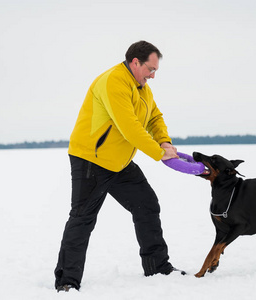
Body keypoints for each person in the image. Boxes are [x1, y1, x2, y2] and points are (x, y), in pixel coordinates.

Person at [54, 41, 183, 292]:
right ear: (135, 62)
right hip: (91, 159)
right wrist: (160, 154)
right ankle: (67, 281)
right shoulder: (114, 81)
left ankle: (157, 267)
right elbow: (130, 127)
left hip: (119, 162)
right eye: (150, 69)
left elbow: (154, 117)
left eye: (156, 70)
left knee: (146, 204)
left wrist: (165, 142)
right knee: (82, 219)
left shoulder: (142, 87)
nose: (153, 75)